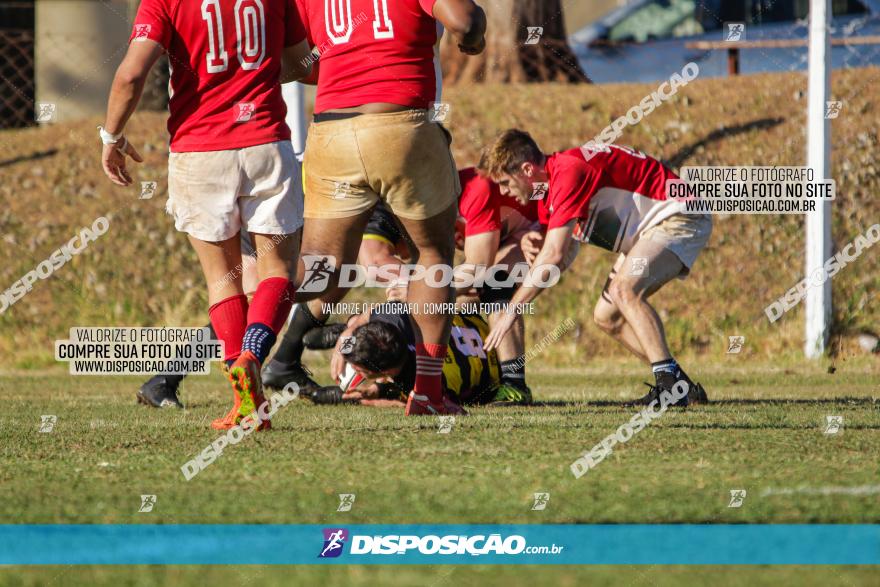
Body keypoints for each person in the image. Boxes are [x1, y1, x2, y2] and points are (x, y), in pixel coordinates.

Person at [100, 0, 313, 428]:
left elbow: (130, 75)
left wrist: (112, 136)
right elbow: (303, 65)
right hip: (265, 143)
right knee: (278, 272)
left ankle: (245, 402)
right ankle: (253, 352)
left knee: (223, 278)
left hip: (200, 150)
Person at [291, 0, 486, 415]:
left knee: (318, 269)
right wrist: (476, 37)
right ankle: (429, 394)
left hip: (332, 129)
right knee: (432, 257)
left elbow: (294, 61)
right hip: (401, 124)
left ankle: (256, 301)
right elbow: (464, 21)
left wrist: (347, 66)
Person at [479, 130, 711, 406]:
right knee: (606, 316)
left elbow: (554, 256)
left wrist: (511, 310)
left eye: (505, 182)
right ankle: (678, 382)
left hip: (680, 213)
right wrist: (540, 245)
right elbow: (560, 256)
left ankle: (669, 384)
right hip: (649, 232)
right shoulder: (547, 193)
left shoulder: (569, 171)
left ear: (527, 169)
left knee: (625, 290)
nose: (504, 191)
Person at [306, 301, 512, 408]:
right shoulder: (396, 321)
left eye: (358, 368)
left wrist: (367, 400)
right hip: (481, 329)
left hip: (490, 371)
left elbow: (423, 404)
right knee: (359, 321)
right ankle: (345, 326)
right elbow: (372, 314)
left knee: (395, 394)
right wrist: (346, 336)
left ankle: (361, 394)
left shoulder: (424, 381)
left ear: (382, 372)